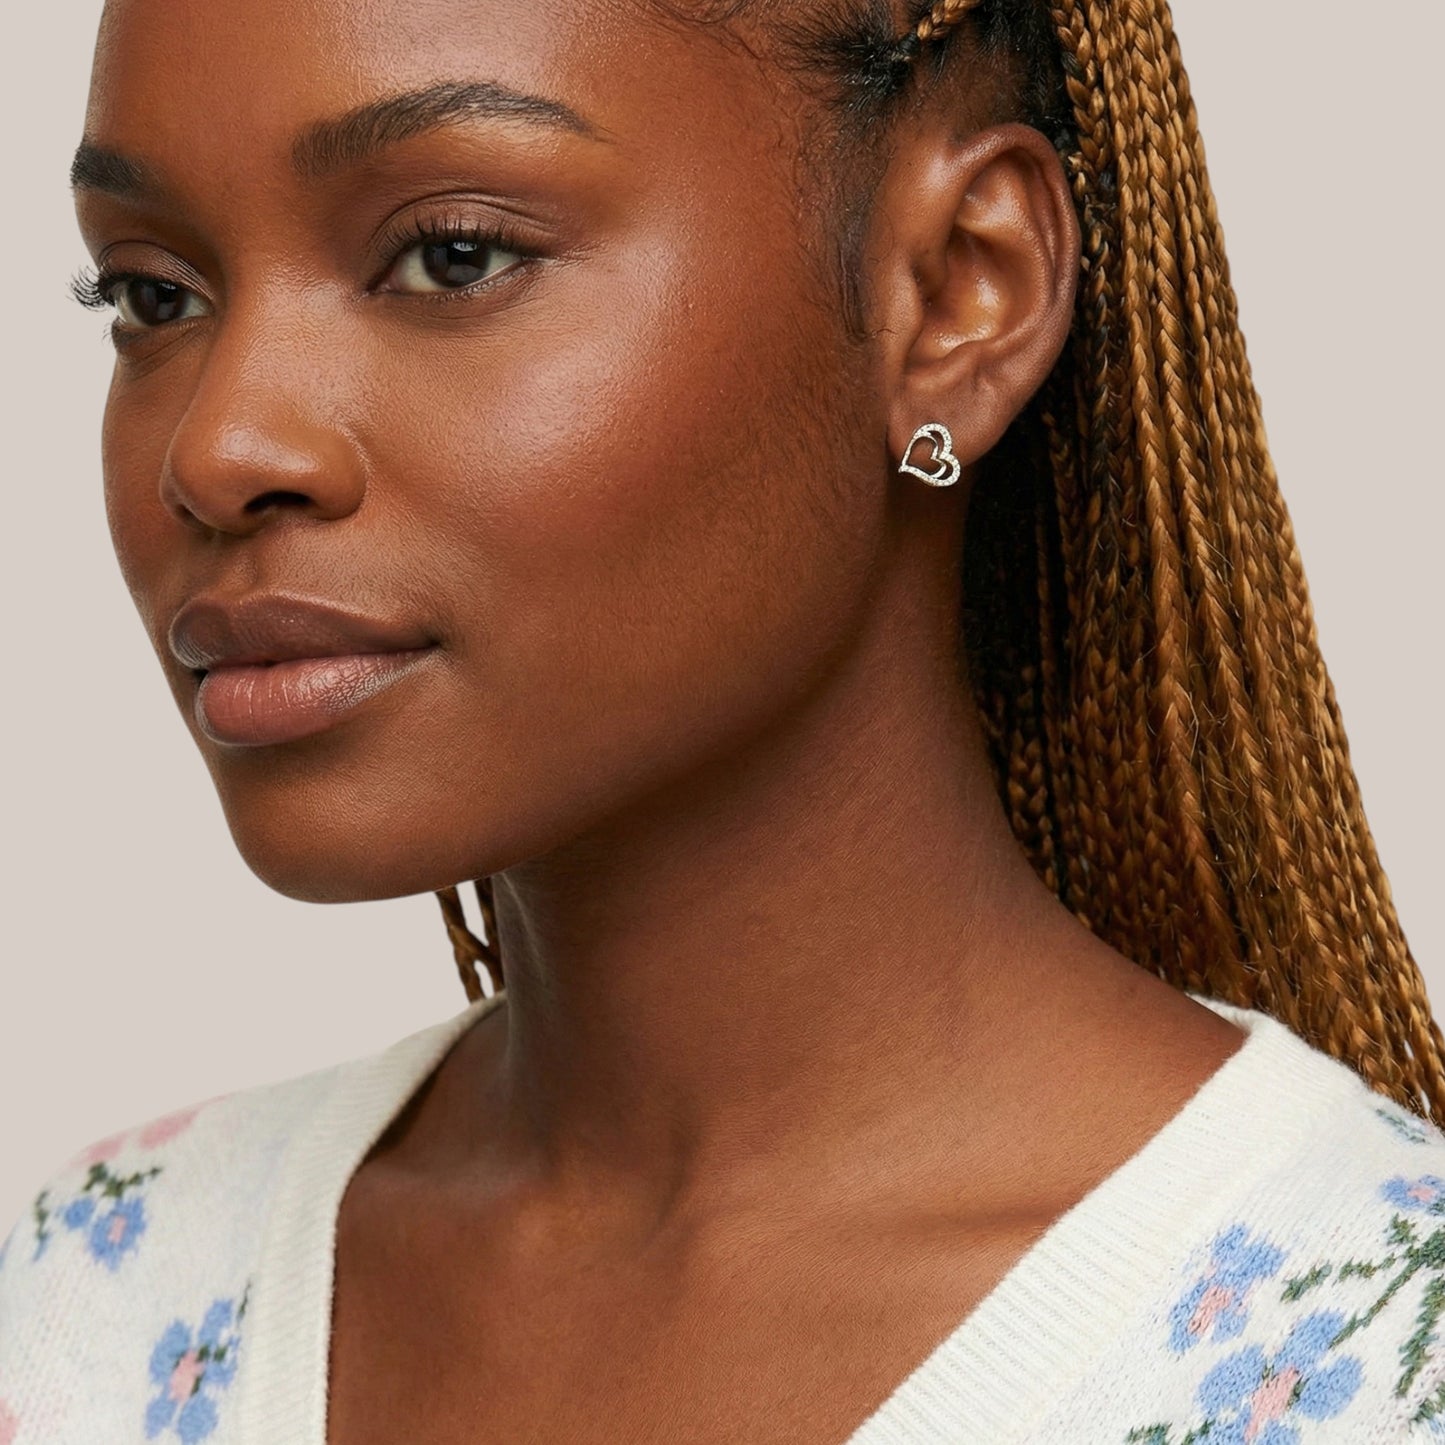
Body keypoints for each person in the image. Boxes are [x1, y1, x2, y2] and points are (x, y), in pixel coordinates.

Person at [1, 0, 1440, 1439]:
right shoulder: (91, 1300)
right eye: (151, 295)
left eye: (453, 254)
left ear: (955, 293)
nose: (219, 445)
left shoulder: (1378, 1364)